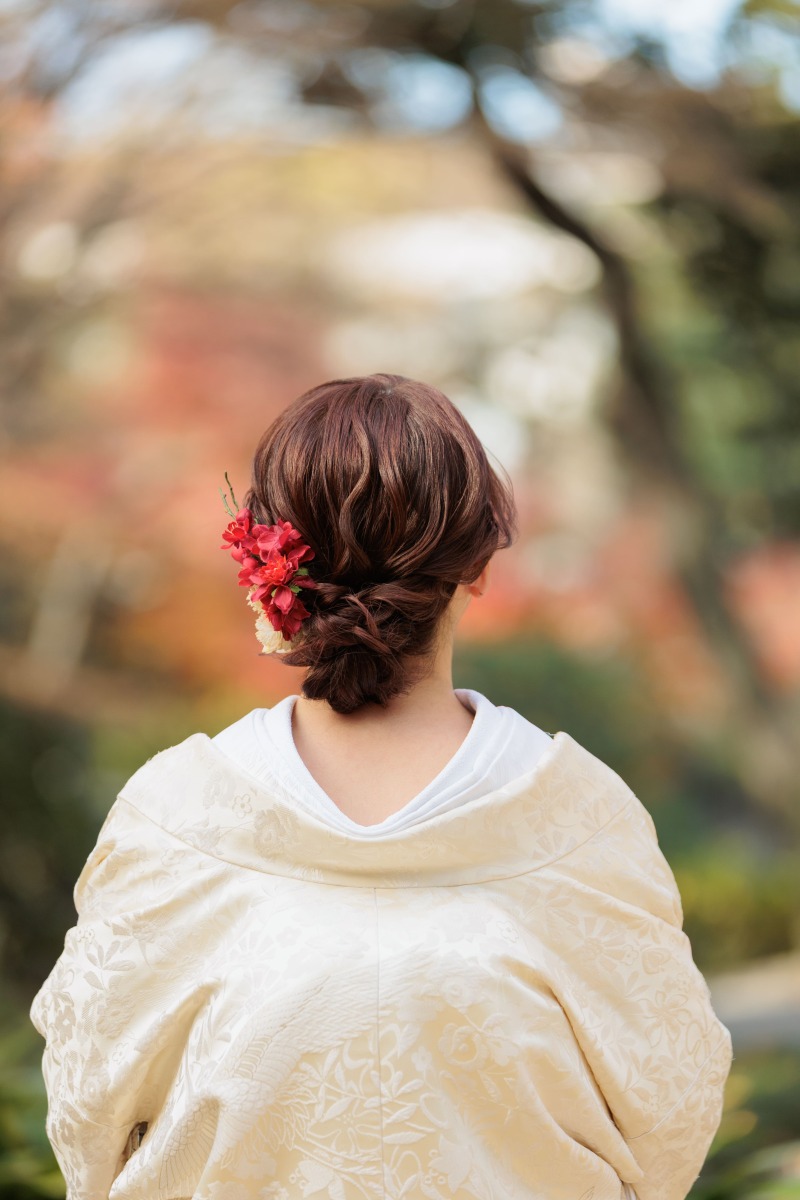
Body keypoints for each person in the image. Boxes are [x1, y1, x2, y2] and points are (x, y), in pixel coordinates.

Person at [30, 373, 733, 1200]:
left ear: (269, 564)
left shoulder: (179, 813)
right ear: (477, 568)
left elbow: (88, 1109)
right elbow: (670, 1114)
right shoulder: (575, 814)